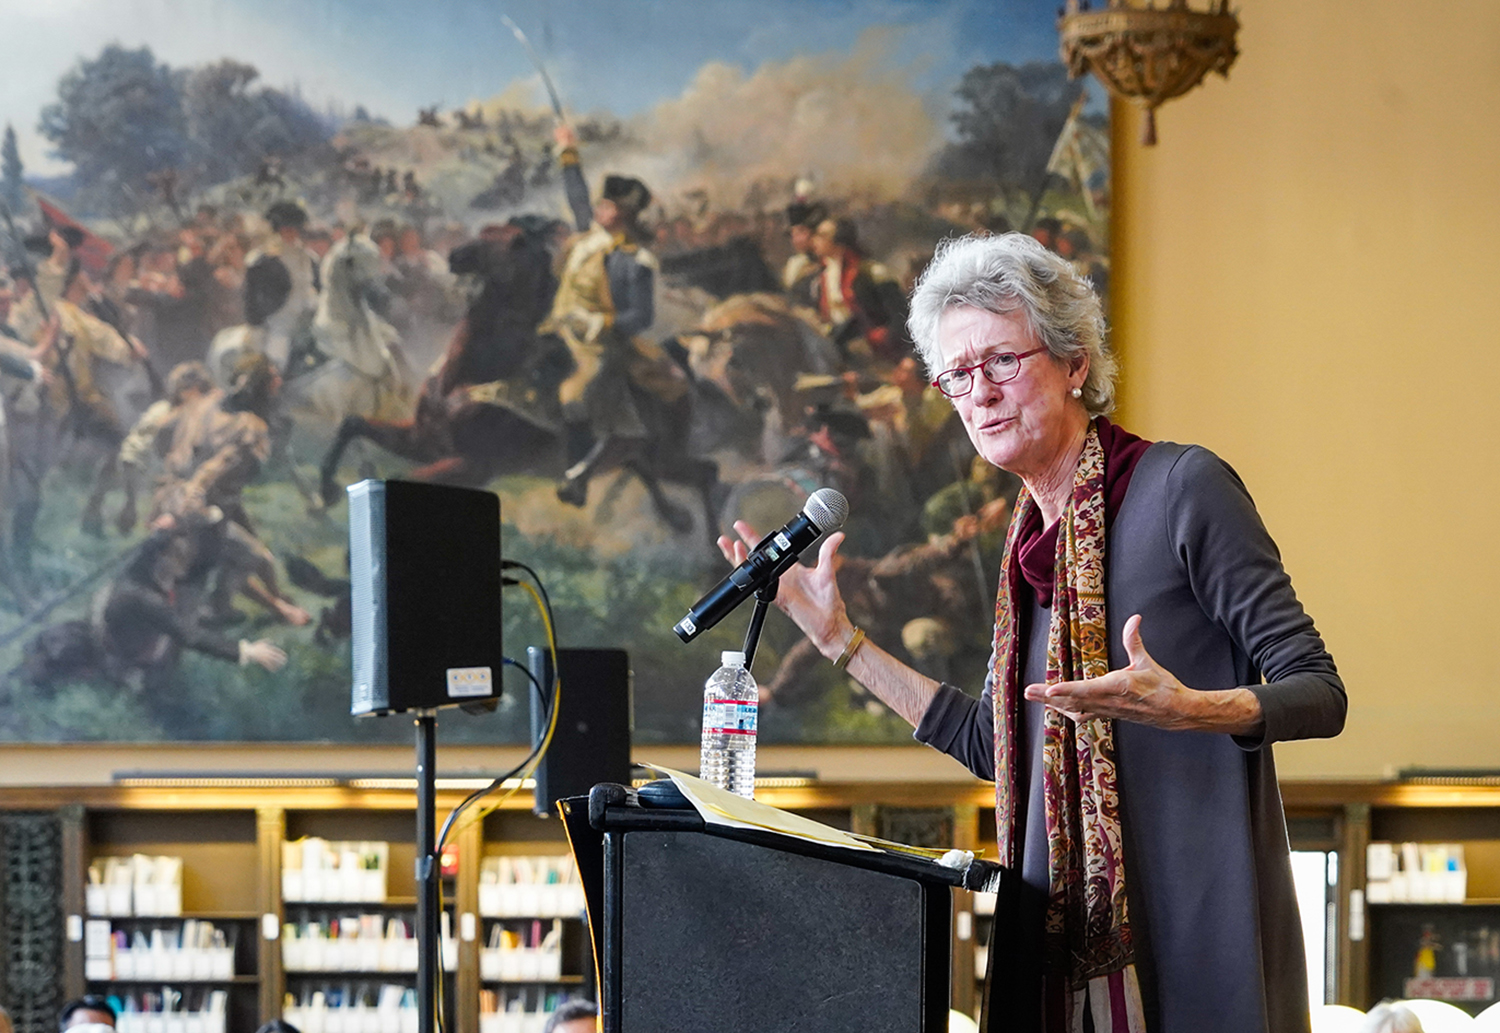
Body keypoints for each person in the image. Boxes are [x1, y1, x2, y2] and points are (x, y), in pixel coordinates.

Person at [717, 232, 1346, 1033]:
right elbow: (998, 743)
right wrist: (841, 639)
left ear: (1075, 360)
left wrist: (1194, 708)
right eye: (956, 376)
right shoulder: (1023, 547)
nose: (978, 393)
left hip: (1190, 939)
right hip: (1054, 948)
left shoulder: (1183, 487)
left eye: (1001, 363)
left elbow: (1320, 691)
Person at [541, 123, 686, 508]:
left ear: (621, 214)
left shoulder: (634, 260)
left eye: (605, 206)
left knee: (576, 393)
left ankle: (577, 475)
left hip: (602, 344)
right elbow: (576, 196)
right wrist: (567, 152)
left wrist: (599, 323)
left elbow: (641, 316)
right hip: (560, 329)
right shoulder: (590, 238)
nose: (596, 209)